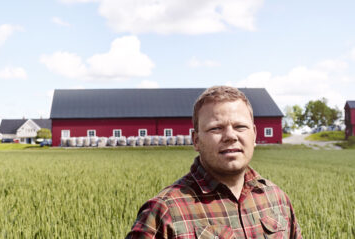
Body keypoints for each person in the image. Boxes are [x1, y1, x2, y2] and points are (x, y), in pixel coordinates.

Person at [126, 86, 302, 239]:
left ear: (254, 134)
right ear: (196, 140)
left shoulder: (277, 198)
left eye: (240, 126)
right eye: (216, 128)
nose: (231, 136)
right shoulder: (164, 211)